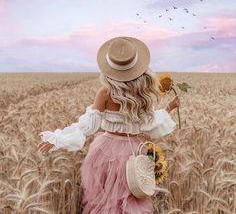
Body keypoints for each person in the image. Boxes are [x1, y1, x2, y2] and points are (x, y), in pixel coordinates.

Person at [37, 36, 180, 213]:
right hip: (134, 151)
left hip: (105, 151)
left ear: (110, 68)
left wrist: (59, 139)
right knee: (131, 199)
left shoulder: (104, 93)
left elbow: (88, 125)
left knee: (104, 202)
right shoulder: (142, 95)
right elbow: (148, 125)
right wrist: (168, 108)